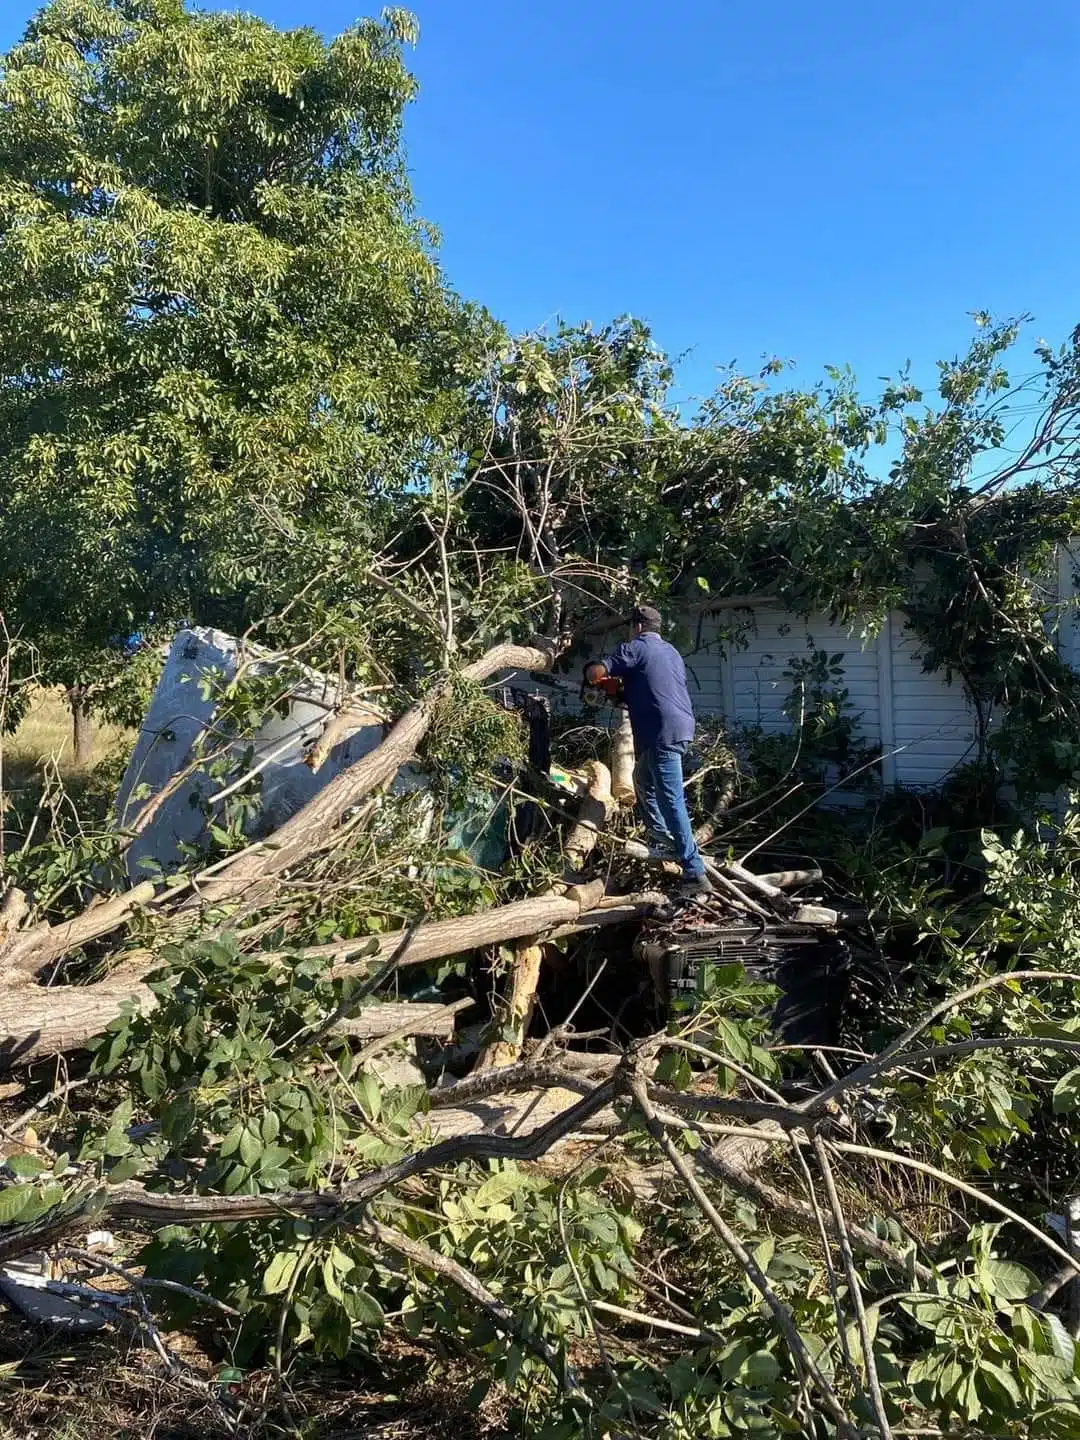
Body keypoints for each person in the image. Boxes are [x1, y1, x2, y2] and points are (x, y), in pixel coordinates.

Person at [584, 604, 712, 897]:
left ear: (637, 627)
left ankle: (695, 871)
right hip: (677, 727)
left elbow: (597, 673)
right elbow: (656, 687)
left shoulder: (636, 647)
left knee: (671, 799)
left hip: (661, 732)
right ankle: (661, 839)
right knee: (643, 782)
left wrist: (592, 671)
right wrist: (621, 691)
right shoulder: (671, 652)